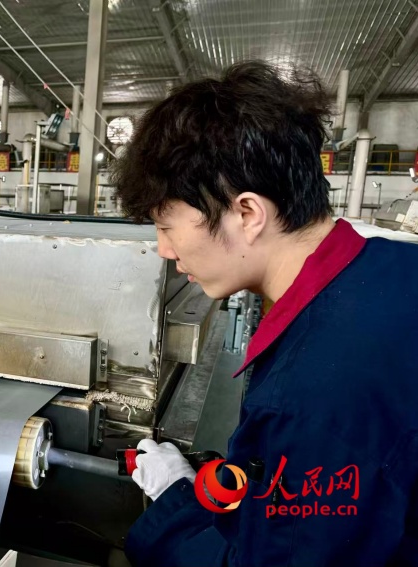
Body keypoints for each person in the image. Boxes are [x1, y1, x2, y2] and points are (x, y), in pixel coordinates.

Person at [111, 61, 418, 566]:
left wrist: (176, 501)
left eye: (166, 227)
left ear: (247, 214)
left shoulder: (307, 398)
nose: (164, 250)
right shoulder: (395, 266)